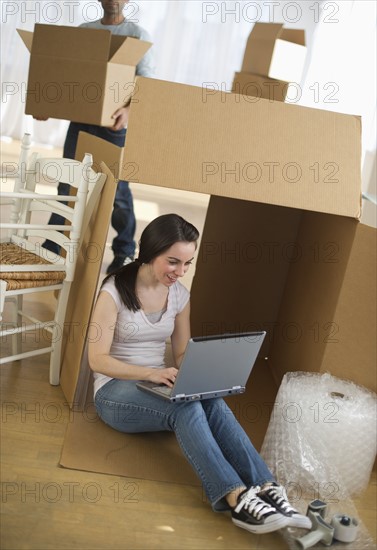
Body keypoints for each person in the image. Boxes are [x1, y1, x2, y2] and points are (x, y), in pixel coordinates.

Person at [87, 213, 312, 535]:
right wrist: (151, 373)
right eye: (173, 262)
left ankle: (265, 487)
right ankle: (235, 498)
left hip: (158, 380)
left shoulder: (179, 295)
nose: (180, 272)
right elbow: (97, 360)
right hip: (114, 390)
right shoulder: (113, 292)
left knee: (211, 399)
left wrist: (200, 371)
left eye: (188, 264)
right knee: (186, 406)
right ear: (151, 253)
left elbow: (180, 351)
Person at [41, 0, 155, 273]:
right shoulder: (85, 30)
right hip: (81, 122)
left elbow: (147, 81)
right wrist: (46, 105)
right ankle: (54, 245)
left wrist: (128, 111)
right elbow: (70, 75)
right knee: (67, 184)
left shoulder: (137, 34)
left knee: (116, 191)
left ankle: (125, 251)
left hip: (113, 126)